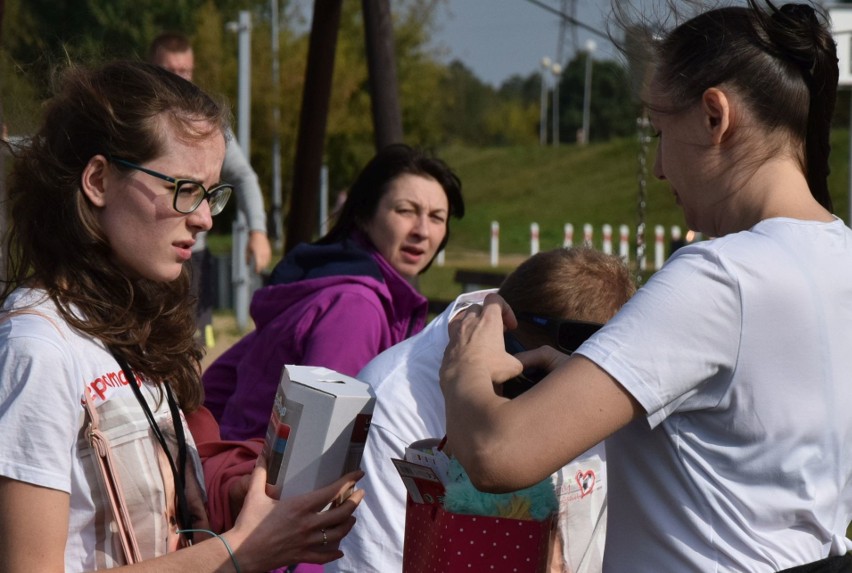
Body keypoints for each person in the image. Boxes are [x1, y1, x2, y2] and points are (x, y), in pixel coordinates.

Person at [439, 2, 852, 571]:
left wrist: (463, 365)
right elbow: (752, 427)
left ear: (715, 116)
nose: (658, 168)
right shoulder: (841, 256)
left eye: (661, 131)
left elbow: (496, 454)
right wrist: (598, 383)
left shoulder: (720, 277)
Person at [0, 60, 363, 572]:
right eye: (184, 189)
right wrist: (240, 554)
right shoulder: (38, 348)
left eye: (211, 193)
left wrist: (236, 494)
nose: (205, 217)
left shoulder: (130, 325)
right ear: (99, 180)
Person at [328, 247, 636, 573]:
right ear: (502, 331)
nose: (544, 413)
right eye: (531, 382)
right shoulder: (392, 405)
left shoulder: (610, 386)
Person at [202, 143, 465, 442]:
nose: (423, 231)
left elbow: (218, 381)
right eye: (406, 211)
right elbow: (317, 445)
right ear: (364, 215)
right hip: (264, 482)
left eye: (436, 217)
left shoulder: (329, 281)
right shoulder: (355, 307)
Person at [149, 32, 273, 346]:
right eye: (169, 70)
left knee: (190, 345)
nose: (178, 78)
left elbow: (243, 175)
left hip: (190, 257)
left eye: (184, 71)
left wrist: (258, 230)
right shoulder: (135, 119)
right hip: (141, 254)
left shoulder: (207, 123)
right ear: (150, 69)